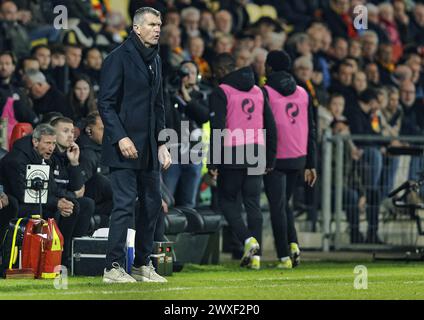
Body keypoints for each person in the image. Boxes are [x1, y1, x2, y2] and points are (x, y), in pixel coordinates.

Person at [98, 7, 171, 283]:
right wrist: (121, 136)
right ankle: (113, 267)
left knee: (152, 204)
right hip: (124, 147)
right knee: (125, 205)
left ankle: (142, 265)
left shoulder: (156, 60)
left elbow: (159, 105)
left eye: (160, 24)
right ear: (137, 28)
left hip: (150, 147)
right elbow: (105, 103)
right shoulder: (117, 58)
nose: (157, 29)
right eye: (152, 24)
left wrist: (163, 142)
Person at [208, 53, 277, 270]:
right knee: (252, 203)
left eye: (216, 71)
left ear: (222, 70)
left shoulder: (223, 91)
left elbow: (218, 127)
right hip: (257, 150)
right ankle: (255, 258)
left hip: (232, 150)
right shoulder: (257, 90)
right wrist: (270, 156)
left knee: (227, 201)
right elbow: (270, 125)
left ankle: (248, 240)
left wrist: (213, 161)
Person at [262, 50, 317, 269]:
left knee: (277, 206)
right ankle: (294, 247)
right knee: (285, 205)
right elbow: (312, 129)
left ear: (269, 68)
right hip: (298, 158)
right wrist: (311, 163)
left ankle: (283, 256)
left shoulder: (264, 92)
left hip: (274, 158)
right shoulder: (303, 93)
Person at [0, 124, 82, 267]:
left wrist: (64, 199)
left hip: (32, 199)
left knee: (74, 205)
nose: (52, 148)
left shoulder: (42, 157)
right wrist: (56, 203)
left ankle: (63, 258)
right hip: (15, 202)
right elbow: (23, 193)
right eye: (48, 143)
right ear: (35, 142)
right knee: (39, 210)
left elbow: (52, 188)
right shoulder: (16, 160)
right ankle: (33, 261)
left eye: (54, 144)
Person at [163, 60, 209, 208]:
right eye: (185, 72)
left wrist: (187, 98)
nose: (189, 76)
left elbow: (203, 116)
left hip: (194, 155)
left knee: (189, 202)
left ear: (198, 77)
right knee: (167, 198)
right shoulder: (168, 96)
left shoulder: (201, 96)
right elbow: (166, 119)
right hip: (172, 155)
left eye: (193, 73)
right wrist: (171, 93)